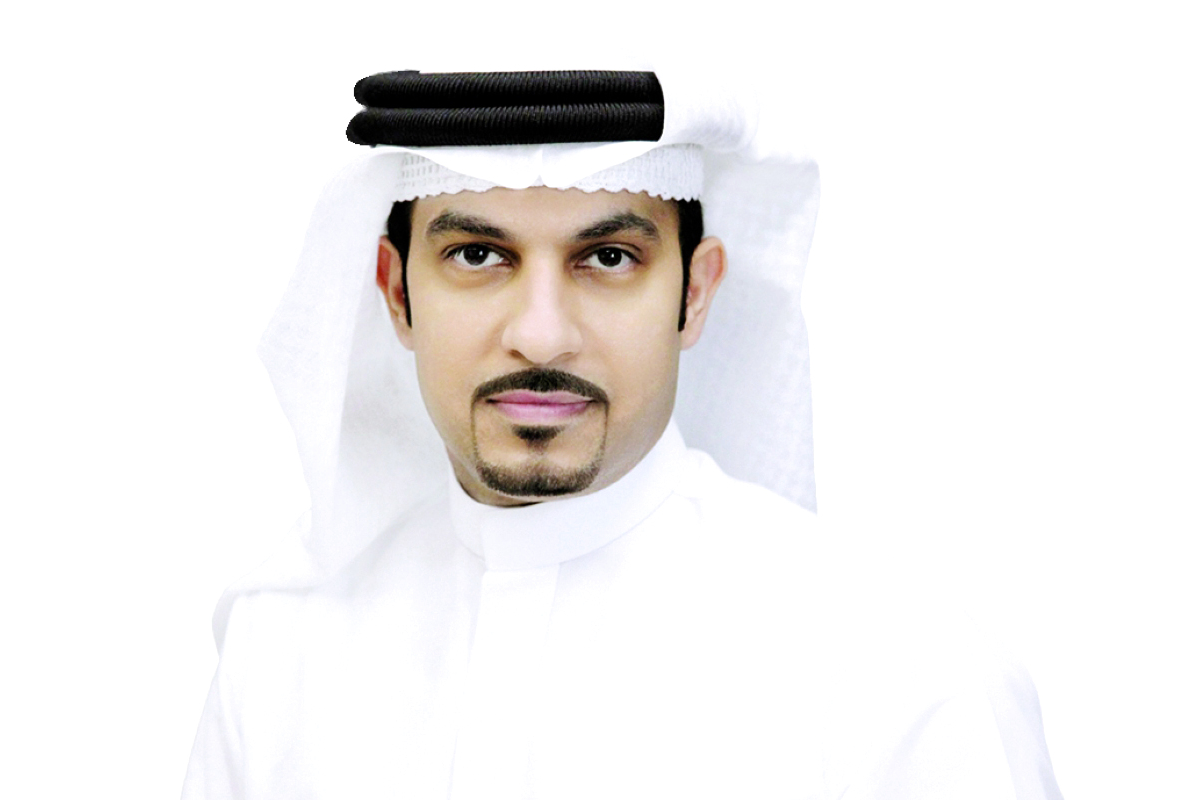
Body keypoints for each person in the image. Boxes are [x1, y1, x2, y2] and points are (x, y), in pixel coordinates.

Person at [182, 69, 1062, 799]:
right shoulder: (281, 654)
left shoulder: (904, 681)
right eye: (478, 255)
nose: (541, 335)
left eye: (607, 258)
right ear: (397, 292)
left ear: (696, 293)